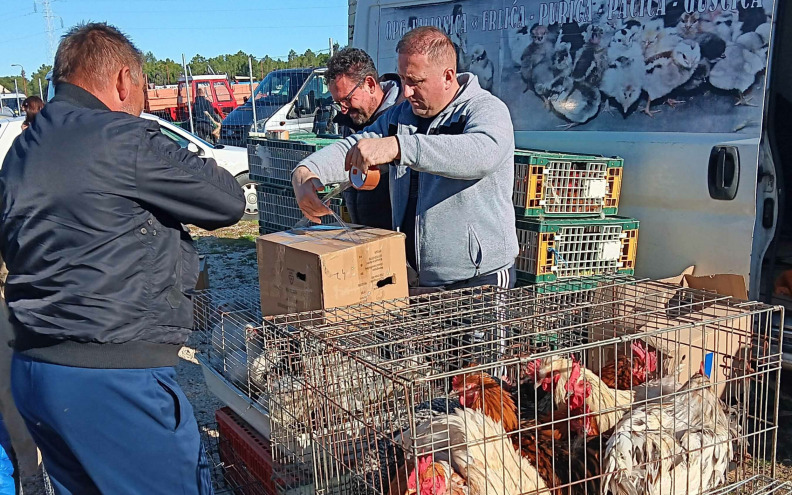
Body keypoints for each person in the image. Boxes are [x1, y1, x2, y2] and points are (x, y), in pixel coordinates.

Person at [0, 22, 245, 495]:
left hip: (35, 370)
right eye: (144, 89)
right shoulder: (122, 137)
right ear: (122, 81)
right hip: (112, 376)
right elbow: (227, 201)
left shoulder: (22, 151)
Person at [292, 26, 518, 290]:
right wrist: (307, 171)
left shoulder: (486, 110)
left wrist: (399, 147)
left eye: (415, 81)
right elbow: (354, 146)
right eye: (403, 80)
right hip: (416, 279)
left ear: (447, 76)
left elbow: (481, 154)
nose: (406, 91)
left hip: (480, 280)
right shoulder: (400, 117)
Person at [321, 47, 401, 230]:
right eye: (338, 102)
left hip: (396, 235)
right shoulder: (350, 118)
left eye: (347, 99)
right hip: (361, 229)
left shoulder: (403, 116)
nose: (343, 109)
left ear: (370, 85)